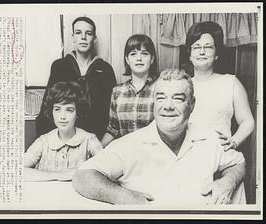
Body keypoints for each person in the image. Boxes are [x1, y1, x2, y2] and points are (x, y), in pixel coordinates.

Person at [72, 69, 246, 205]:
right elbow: (83, 176)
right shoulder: (130, 144)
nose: (167, 106)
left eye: (178, 98)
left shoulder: (210, 138)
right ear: (154, 102)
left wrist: (228, 181)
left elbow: (237, 162)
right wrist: (123, 196)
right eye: (161, 98)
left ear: (192, 104)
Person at [36, 16, 116, 140]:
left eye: (88, 33)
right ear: (73, 37)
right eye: (78, 33)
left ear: (94, 39)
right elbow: (48, 105)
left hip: (96, 138)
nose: (83, 37)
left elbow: (112, 112)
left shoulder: (105, 69)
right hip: (63, 137)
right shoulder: (59, 66)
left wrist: (100, 145)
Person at [183, 21, 254, 151]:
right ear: (190, 55)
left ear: (216, 55)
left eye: (208, 47)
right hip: (187, 154)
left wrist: (234, 141)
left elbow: (247, 121)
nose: (202, 52)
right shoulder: (182, 85)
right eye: (197, 47)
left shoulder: (231, 82)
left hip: (221, 155)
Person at [24, 82, 103, 182]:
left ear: (77, 113)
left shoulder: (89, 139)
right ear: (51, 111)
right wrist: (57, 175)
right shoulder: (44, 141)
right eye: (57, 109)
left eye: (69, 110)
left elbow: (107, 171)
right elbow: (16, 170)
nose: (62, 116)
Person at [101, 34, 158, 147]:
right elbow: (113, 129)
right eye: (133, 54)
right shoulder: (117, 91)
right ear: (127, 59)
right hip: (125, 154)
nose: (139, 58)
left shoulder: (160, 88)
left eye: (144, 53)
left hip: (152, 154)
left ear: (152, 59)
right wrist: (97, 150)